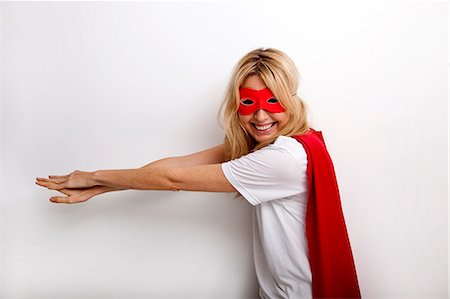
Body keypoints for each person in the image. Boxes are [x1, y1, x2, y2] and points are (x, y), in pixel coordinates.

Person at [36, 48, 361, 299]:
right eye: (248, 102)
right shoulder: (282, 145)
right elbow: (177, 166)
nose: (260, 115)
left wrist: (94, 175)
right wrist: (101, 187)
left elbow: (173, 180)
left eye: (272, 101)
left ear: (291, 99)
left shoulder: (282, 159)